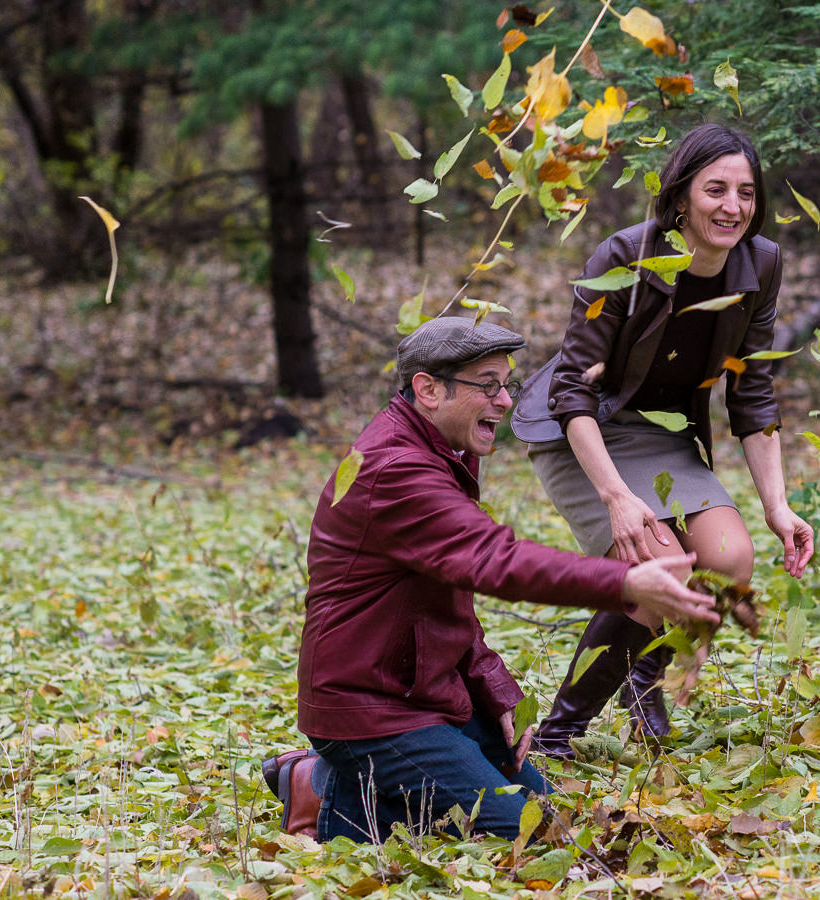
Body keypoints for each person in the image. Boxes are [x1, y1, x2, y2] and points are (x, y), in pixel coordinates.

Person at [267, 316, 721, 842]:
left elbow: (451, 593)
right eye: (488, 385)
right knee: (529, 833)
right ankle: (325, 796)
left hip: (426, 693)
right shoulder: (396, 470)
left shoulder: (447, 450)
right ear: (428, 389)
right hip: (371, 710)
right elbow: (493, 558)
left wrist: (495, 690)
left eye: (506, 383)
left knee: (546, 808)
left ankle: (327, 781)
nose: (505, 401)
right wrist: (625, 583)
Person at [510, 122, 815, 758]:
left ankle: (642, 686)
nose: (733, 207)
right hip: (579, 428)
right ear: (681, 195)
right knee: (659, 567)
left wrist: (777, 507)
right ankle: (560, 735)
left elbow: (750, 391)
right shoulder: (624, 256)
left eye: (746, 193)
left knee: (728, 558)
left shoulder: (761, 264)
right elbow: (573, 389)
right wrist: (618, 498)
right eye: (716, 190)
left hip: (660, 432)